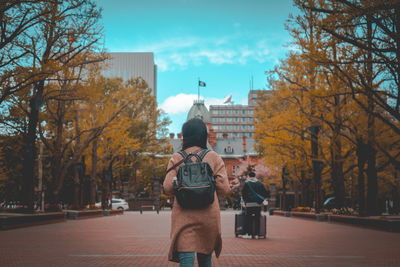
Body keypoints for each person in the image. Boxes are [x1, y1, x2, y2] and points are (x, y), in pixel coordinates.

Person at [163, 118, 230, 266]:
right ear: (204, 136)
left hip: (183, 216)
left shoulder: (177, 157)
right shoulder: (214, 156)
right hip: (208, 216)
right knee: (205, 259)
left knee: (186, 258)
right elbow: (224, 188)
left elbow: (167, 188)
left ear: (185, 136)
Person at [241, 171, 268, 238]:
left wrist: (245, 202)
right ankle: (257, 234)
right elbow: (265, 193)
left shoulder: (247, 184)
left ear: (249, 176)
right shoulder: (260, 184)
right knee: (257, 219)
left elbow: (243, 194)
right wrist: (260, 200)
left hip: (249, 204)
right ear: (255, 176)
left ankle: (249, 234)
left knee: (248, 219)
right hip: (258, 204)